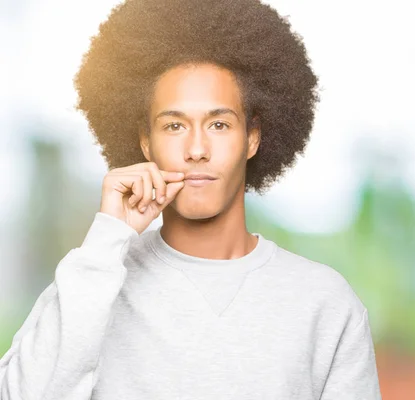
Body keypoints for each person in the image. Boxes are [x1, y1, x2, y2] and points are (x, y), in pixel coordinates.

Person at [0, 0, 382, 398]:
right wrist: (106, 240)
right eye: (174, 125)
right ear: (145, 141)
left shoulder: (324, 302)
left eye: (218, 124)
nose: (197, 148)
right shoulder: (92, 278)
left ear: (251, 137)